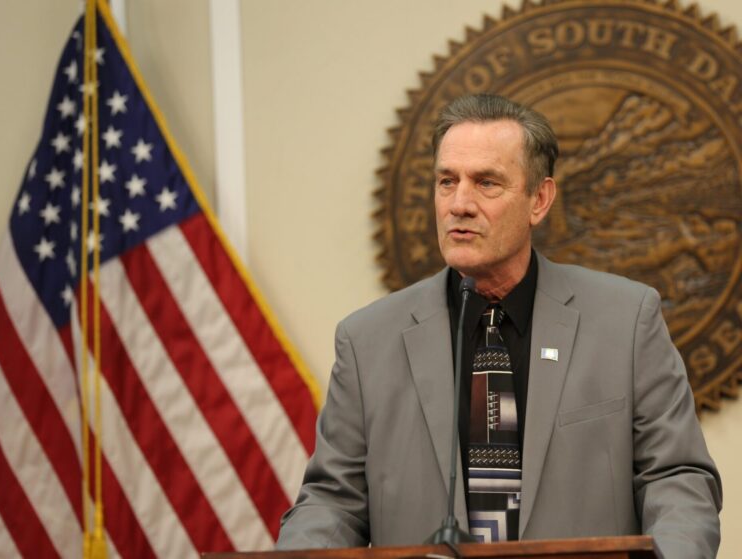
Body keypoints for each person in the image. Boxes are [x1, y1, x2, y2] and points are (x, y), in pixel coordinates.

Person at [277, 94, 722, 558]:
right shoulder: (367, 342)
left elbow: (676, 479)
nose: (459, 204)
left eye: (486, 183)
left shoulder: (627, 320)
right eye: (446, 181)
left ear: (539, 199)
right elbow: (334, 503)